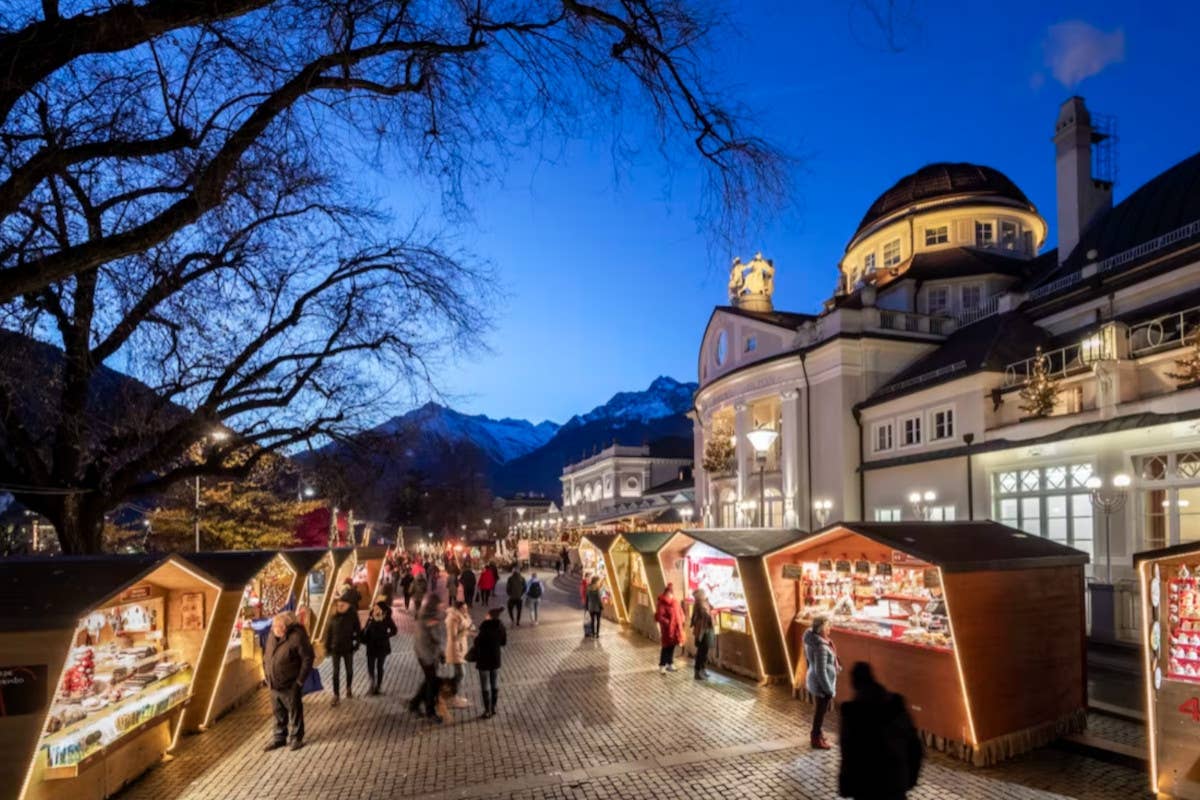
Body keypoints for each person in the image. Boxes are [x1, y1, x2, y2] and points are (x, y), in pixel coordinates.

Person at [838, 662, 923, 800]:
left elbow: (848, 752)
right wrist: (910, 777)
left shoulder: (852, 714)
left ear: (855, 684)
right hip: (894, 782)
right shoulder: (896, 705)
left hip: (866, 786)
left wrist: (846, 785)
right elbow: (914, 746)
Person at [263, 611, 314, 751]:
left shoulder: (297, 637)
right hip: (274, 684)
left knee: (294, 711)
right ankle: (279, 738)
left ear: (285, 627)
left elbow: (308, 658)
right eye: (273, 626)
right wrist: (266, 675)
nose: (274, 629)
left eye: (277, 626)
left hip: (290, 683)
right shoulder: (272, 636)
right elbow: (267, 655)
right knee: (278, 713)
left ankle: (296, 738)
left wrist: (299, 681)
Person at [804, 615, 841, 749]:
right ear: (821, 628)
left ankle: (818, 733)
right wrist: (828, 689)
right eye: (827, 626)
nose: (829, 628)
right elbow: (821, 670)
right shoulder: (821, 647)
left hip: (816, 680)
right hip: (821, 684)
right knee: (820, 712)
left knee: (820, 710)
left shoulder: (813, 640)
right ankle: (815, 738)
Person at [410, 594, 447, 722]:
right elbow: (436, 637)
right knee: (432, 683)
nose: (442, 607)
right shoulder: (431, 619)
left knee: (429, 681)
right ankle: (430, 712)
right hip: (427, 655)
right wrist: (442, 651)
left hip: (424, 653)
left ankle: (414, 704)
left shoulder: (424, 615)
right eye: (439, 605)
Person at [323, 594, 362, 706]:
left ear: (348, 605)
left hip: (348, 648)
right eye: (339, 604)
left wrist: (356, 643)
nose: (340, 606)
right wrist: (327, 647)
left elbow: (358, 631)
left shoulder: (352, 615)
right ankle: (336, 695)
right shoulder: (333, 616)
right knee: (336, 672)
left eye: (342, 604)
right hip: (335, 648)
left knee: (349, 670)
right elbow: (328, 632)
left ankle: (348, 688)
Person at [473, 607, 507, 719]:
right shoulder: (501, 627)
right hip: (495, 659)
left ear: (490, 616)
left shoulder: (485, 627)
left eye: (487, 614)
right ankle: (493, 708)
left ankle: (487, 711)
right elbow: (503, 642)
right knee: (494, 683)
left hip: (484, 660)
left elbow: (477, 643)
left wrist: (476, 638)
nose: (485, 615)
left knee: (485, 684)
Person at [360, 601, 398, 695]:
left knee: (380, 667)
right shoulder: (371, 618)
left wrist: (387, 636)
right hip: (371, 645)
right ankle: (372, 685)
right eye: (374, 607)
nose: (375, 609)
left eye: (377, 608)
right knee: (370, 667)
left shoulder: (386, 618)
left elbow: (394, 630)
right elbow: (366, 629)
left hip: (382, 646)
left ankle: (378, 686)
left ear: (382, 609)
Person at [444, 600, 474, 708]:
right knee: (461, 674)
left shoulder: (462, 616)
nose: (466, 610)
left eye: (466, 608)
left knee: (458, 674)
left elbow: (468, 626)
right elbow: (453, 636)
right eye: (464, 608)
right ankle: (452, 696)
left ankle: (453, 695)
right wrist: (466, 632)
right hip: (455, 649)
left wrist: (469, 630)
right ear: (458, 609)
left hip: (460, 648)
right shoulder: (453, 619)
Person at [655, 583, 685, 673]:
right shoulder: (662, 603)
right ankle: (662, 665)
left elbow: (680, 612)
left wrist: (682, 619)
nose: (670, 595)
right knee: (666, 647)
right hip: (667, 629)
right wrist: (669, 623)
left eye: (671, 593)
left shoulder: (675, 602)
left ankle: (670, 663)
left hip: (675, 628)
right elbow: (660, 616)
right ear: (666, 593)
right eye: (668, 593)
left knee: (672, 646)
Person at [690, 588, 715, 680]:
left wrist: (708, 602)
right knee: (702, 651)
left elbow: (712, 607)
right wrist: (711, 615)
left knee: (705, 651)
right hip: (702, 631)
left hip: (706, 630)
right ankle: (697, 671)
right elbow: (706, 615)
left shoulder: (704, 602)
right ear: (701, 595)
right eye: (704, 594)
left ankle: (702, 669)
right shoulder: (699, 604)